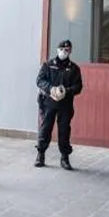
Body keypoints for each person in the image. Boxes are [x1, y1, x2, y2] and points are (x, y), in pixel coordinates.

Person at [35, 39, 83, 170]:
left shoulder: (74, 69)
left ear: (70, 51)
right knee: (45, 129)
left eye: (67, 50)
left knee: (64, 131)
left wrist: (65, 91)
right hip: (49, 103)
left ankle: (65, 158)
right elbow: (39, 80)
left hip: (65, 104)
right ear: (57, 50)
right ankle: (40, 154)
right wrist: (50, 89)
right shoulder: (49, 65)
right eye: (62, 49)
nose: (64, 52)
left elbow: (78, 86)